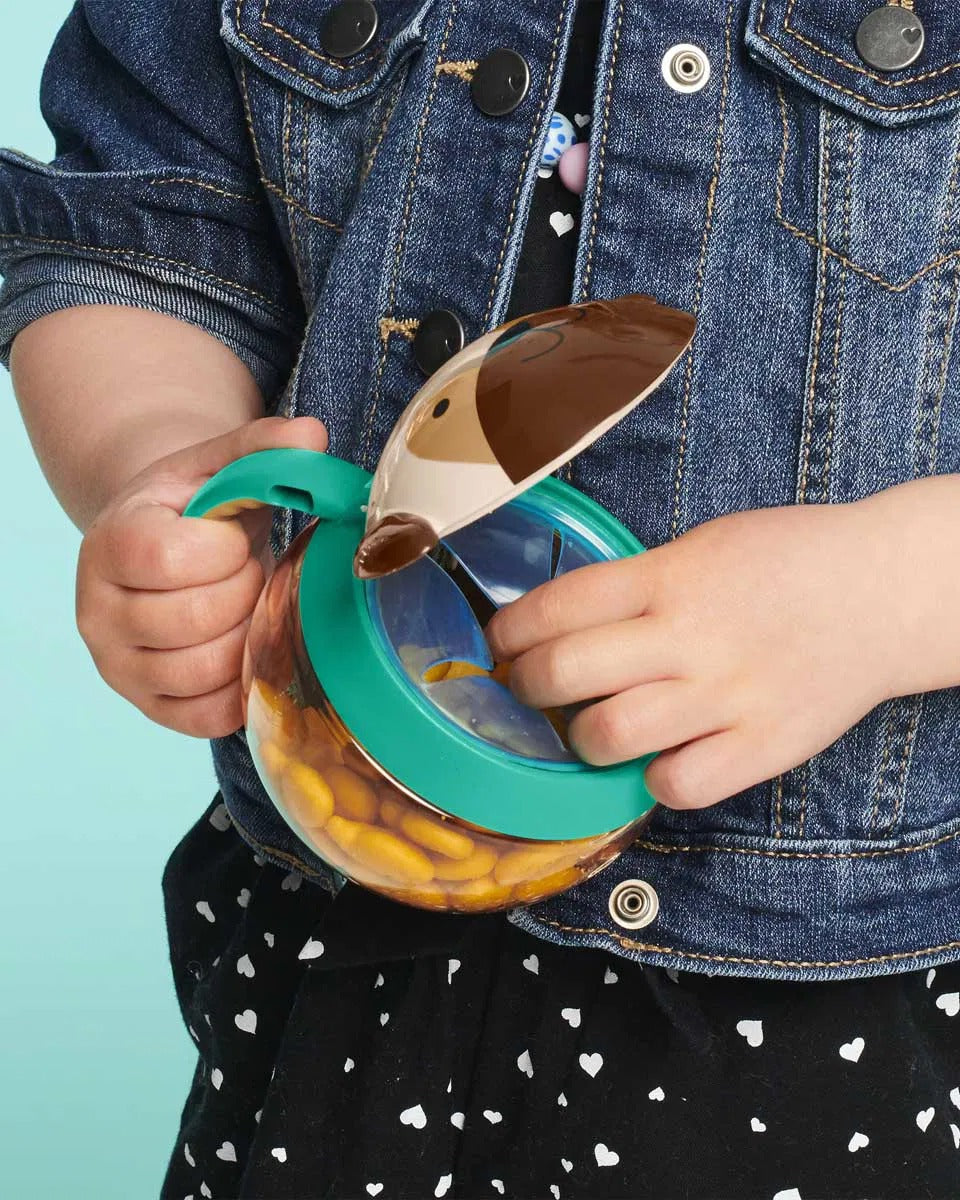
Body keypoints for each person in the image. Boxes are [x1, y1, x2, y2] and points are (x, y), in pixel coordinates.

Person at [3, 1, 960, 1196]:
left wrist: (892, 590)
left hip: (828, 994)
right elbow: (139, 226)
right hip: (338, 909)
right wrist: (159, 464)